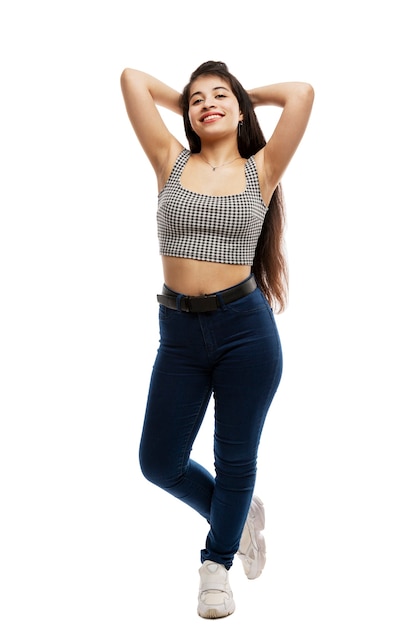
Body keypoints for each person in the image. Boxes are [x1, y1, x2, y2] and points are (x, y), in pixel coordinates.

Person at [120, 60, 314, 619]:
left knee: (234, 460)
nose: (208, 103)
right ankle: (237, 513)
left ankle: (216, 564)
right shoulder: (169, 160)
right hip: (178, 333)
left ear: (240, 108)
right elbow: (133, 78)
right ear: (185, 111)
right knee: (159, 462)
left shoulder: (263, 169)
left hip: (245, 333)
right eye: (197, 98)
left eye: (219, 95)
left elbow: (301, 92)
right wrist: (192, 101)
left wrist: (241, 95)